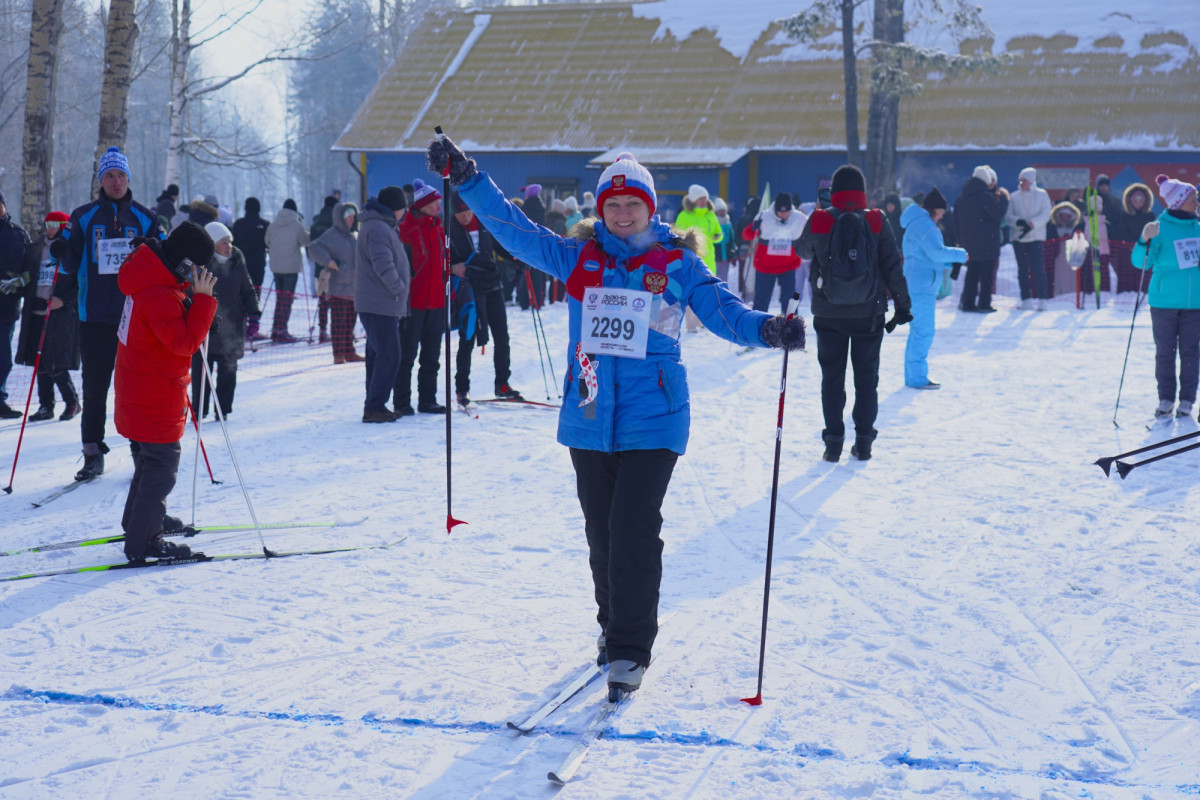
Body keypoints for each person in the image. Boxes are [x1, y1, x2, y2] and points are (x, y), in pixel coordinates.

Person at [430, 137, 804, 698]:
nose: (623, 214)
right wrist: (467, 178)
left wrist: (767, 328)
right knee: (602, 536)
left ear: (651, 209)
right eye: (613, 205)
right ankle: (611, 630)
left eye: (633, 205)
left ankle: (631, 648)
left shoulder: (677, 262)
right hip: (588, 411)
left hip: (655, 415)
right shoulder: (580, 256)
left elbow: (721, 309)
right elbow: (513, 230)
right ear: (599, 209)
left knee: (633, 529)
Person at [54, 146, 163, 477]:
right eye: (109, 176)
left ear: (128, 179)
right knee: (95, 388)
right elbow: (70, 263)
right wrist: (61, 252)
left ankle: (139, 451)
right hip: (95, 318)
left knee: (135, 389)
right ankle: (92, 454)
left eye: (121, 175)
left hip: (136, 319)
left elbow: (164, 261)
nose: (116, 182)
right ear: (101, 180)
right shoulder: (83, 216)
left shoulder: (146, 217)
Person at [114, 221, 216, 561]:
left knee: (149, 462)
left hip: (142, 389)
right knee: (161, 467)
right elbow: (184, 342)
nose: (203, 272)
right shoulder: (158, 293)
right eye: (200, 266)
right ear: (186, 262)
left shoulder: (154, 279)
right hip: (153, 394)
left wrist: (194, 302)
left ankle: (140, 521)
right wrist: (201, 302)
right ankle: (144, 541)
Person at [798, 164, 912, 462]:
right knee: (866, 378)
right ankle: (864, 441)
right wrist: (903, 306)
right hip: (868, 313)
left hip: (829, 312)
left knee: (832, 379)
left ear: (833, 191)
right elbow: (892, 266)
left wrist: (821, 217)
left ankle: (833, 441)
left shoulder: (821, 218)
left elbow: (802, 251)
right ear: (861, 191)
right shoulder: (876, 220)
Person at [1132, 175, 1200, 419]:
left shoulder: (1198, 228)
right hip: (1164, 302)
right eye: (1193, 199)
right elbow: (1141, 263)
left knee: (1191, 352)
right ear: (1178, 202)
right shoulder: (1159, 228)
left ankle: (1187, 400)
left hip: (1195, 302)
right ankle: (1166, 398)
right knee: (1165, 352)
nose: (1197, 203)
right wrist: (1143, 240)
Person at [447, 192, 520, 404]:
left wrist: (516, 257)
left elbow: (498, 245)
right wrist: (452, 268)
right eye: (460, 213)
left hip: (492, 285)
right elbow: (442, 259)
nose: (465, 216)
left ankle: (502, 383)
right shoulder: (449, 230)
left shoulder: (484, 222)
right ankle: (462, 388)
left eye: (467, 211)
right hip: (469, 288)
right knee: (468, 337)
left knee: (502, 336)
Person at [189, 222, 260, 418]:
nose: (229, 246)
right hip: (205, 329)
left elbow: (248, 291)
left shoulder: (237, 261)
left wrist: (254, 314)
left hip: (233, 328)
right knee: (201, 374)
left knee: (229, 372)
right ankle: (199, 410)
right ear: (212, 244)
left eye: (230, 242)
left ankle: (223, 411)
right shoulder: (200, 264)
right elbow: (188, 293)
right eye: (224, 242)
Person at [900, 188, 968, 390]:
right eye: (942, 212)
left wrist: (950, 264)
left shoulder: (917, 224)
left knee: (918, 332)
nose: (942, 217)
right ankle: (917, 378)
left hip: (917, 284)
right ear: (936, 209)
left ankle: (914, 376)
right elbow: (937, 253)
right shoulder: (925, 226)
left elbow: (927, 256)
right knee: (923, 332)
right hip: (921, 288)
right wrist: (960, 255)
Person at [16, 211, 80, 421]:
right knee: (40, 361)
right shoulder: (35, 249)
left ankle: (72, 402)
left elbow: (78, 283)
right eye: (46, 223)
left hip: (59, 313)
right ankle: (46, 405)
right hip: (36, 310)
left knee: (56, 362)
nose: (49, 228)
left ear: (62, 226)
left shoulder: (68, 250)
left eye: (54, 224)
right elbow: (26, 274)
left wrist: (64, 301)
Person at [355, 186, 410, 422]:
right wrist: (398, 288)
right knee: (390, 355)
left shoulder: (380, 225)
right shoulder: (378, 228)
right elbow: (383, 265)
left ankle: (373, 403)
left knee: (379, 354)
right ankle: (375, 406)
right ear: (397, 208)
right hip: (380, 302)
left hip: (378, 302)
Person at [396, 179, 448, 414]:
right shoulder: (406, 228)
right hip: (413, 302)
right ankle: (402, 401)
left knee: (431, 355)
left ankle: (427, 399)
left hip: (436, 301)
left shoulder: (439, 227)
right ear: (423, 205)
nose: (439, 207)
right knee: (407, 354)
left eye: (439, 203)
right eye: (435, 203)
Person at [308, 202, 364, 364]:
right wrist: (329, 262)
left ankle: (350, 352)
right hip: (338, 286)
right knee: (338, 323)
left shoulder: (354, 236)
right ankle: (338, 354)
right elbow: (313, 247)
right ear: (340, 218)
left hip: (354, 287)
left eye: (353, 217)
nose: (351, 220)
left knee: (350, 323)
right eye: (348, 217)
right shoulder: (332, 234)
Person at [953, 165, 1009, 312]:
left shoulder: (961, 197)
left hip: (968, 244)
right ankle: (984, 304)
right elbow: (997, 215)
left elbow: (955, 220)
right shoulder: (985, 196)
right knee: (986, 275)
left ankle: (968, 303)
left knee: (971, 274)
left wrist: (960, 239)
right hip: (987, 243)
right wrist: (1004, 199)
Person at [744, 193, 808, 314]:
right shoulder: (764, 216)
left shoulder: (800, 219)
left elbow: (811, 233)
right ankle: (757, 327)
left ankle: (791, 325)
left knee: (789, 301)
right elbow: (746, 236)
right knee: (761, 301)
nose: (783, 214)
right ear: (775, 209)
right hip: (765, 267)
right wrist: (753, 228)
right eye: (780, 212)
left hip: (788, 266)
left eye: (786, 211)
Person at [0, 191, 33, 419]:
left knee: (3, 358)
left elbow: (31, 267)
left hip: (7, 307)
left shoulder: (18, 234)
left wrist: (20, 282)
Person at [675, 184, 725, 332]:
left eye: (705, 198)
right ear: (693, 200)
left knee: (707, 292)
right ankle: (691, 324)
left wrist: (717, 237)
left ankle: (703, 320)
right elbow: (677, 235)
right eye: (700, 198)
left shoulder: (711, 214)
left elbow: (719, 233)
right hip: (691, 258)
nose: (703, 201)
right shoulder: (684, 215)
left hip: (709, 259)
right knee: (691, 291)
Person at [1005, 167, 1052, 311]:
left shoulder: (1042, 195)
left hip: (1036, 237)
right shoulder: (1014, 196)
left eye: (1024, 180)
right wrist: (1018, 222)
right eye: (1021, 180)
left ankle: (1043, 299)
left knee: (1038, 269)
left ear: (1031, 181)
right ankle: (1026, 299)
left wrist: (1032, 224)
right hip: (1018, 239)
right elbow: (1008, 216)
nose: (1021, 183)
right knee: (1022, 270)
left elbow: (1046, 214)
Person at [264, 198, 310, 343]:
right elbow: (306, 241)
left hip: (276, 266)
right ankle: (282, 330)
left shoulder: (273, 224)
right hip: (290, 268)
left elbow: (267, 241)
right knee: (287, 300)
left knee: (280, 298)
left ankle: (276, 328)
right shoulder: (297, 224)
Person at [712, 198, 736, 287]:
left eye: (723, 210)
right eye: (719, 210)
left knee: (724, 276)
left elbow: (731, 239)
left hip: (725, 254)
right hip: (715, 254)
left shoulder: (728, 224)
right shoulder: (713, 222)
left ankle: (723, 290)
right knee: (714, 274)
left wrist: (733, 253)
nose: (721, 212)